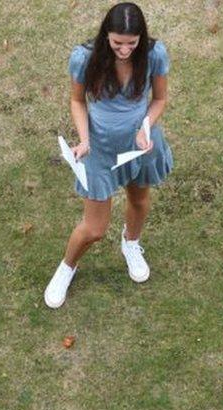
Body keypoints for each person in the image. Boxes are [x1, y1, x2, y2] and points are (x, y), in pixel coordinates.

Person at [44, 2, 173, 308]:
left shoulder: (155, 54)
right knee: (94, 229)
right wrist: (85, 140)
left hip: (139, 144)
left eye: (132, 43)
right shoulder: (85, 58)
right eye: (118, 43)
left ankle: (131, 243)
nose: (125, 50)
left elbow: (160, 98)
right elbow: (77, 101)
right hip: (99, 147)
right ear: (106, 36)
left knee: (139, 200)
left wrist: (144, 127)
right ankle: (67, 267)